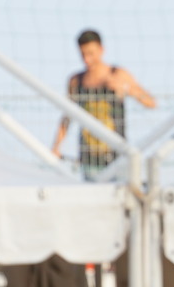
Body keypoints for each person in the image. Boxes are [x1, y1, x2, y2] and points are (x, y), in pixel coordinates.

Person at [50, 29, 156, 178]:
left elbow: (151, 102)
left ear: (102, 50)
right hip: (89, 159)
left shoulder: (117, 74)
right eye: (83, 54)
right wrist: (56, 146)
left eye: (91, 53)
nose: (87, 59)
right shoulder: (76, 81)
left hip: (117, 158)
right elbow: (67, 117)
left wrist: (126, 89)